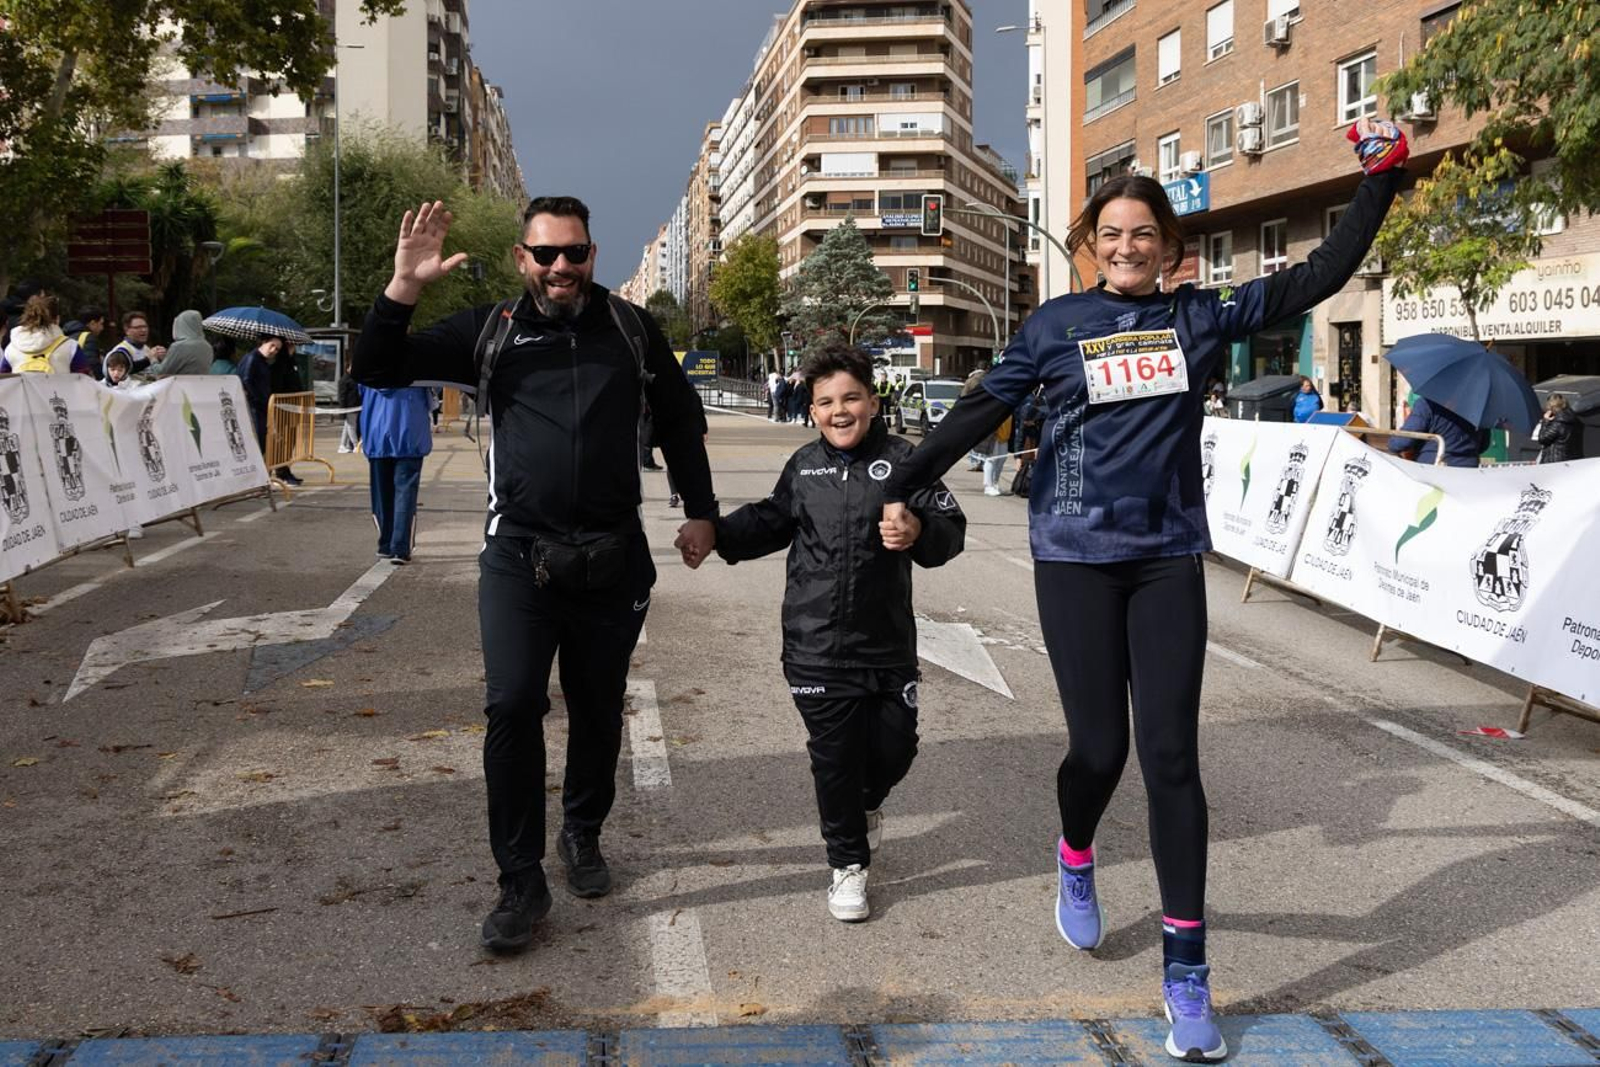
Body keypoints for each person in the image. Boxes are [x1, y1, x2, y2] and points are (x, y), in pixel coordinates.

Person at [880, 119, 1408, 1064]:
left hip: (1166, 555)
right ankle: (1075, 855)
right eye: (1112, 235)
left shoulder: (1197, 321)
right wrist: (897, 480)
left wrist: (1379, 181)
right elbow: (978, 412)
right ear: (1092, 245)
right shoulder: (1051, 328)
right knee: (1098, 748)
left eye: (1144, 235)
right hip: (1075, 558)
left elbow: (1317, 278)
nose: (1128, 248)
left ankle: (1187, 972)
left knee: (1170, 757)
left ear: (1170, 248)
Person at [352, 196, 716, 955]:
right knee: (513, 704)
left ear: (591, 255)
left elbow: (680, 418)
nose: (560, 267)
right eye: (545, 254)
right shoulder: (491, 331)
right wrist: (404, 287)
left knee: (595, 706)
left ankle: (581, 832)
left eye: (574, 253)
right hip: (519, 555)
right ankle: (519, 879)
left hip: (613, 558)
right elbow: (377, 366)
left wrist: (702, 511)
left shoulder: (629, 327)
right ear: (523, 258)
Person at [674, 341, 964, 922]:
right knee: (834, 758)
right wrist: (715, 533)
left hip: (886, 646)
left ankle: (865, 805)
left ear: (872, 403)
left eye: (850, 398)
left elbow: (949, 528)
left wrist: (919, 530)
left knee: (893, 752)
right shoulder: (804, 467)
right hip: (814, 647)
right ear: (811, 410)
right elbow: (771, 519)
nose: (839, 411)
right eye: (825, 401)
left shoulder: (908, 463)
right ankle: (847, 864)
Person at [360, 383, 431, 563]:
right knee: (405, 493)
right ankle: (400, 547)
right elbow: (433, 390)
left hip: (377, 432)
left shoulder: (369, 361)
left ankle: (385, 543)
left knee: (381, 493)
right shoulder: (417, 360)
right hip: (410, 431)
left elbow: (359, 386)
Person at [1387, 393, 1489, 468]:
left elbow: (1401, 443)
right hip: (1470, 470)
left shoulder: (1428, 404)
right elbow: (1484, 445)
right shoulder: (1479, 408)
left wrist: (1390, 443)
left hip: (1434, 471)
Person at [1, 294, 81, 374]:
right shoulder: (71, 347)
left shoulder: (12, 347)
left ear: (28, 318)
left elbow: (3, 381)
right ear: (57, 319)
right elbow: (85, 380)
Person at [236, 336, 283, 456]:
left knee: (262, 439)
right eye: (272, 346)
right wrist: (257, 398)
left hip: (260, 406)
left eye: (277, 349)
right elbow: (246, 380)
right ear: (263, 342)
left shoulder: (260, 360)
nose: (273, 350)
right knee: (258, 439)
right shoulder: (253, 358)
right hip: (254, 407)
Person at [152, 310, 214, 377]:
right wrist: (167, 359)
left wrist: (153, 359)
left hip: (180, 386)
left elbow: (161, 372)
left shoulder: (179, 346)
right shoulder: (208, 347)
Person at [103, 311, 165, 377]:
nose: (143, 330)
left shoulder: (146, 348)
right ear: (127, 330)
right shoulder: (121, 350)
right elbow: (126, 370)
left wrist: (163, 359)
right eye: (138, 327)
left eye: (145, 326)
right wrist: (148, 359)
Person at [1532, 394, 1583, 463]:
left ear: (1552, 407)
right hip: (1571, 461)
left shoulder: (1558, 422)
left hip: (1554, 462)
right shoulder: (1575, 421)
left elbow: (1542, 439)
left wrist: (1545, 421)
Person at [64, 307, 107, 378]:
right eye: (101, 323)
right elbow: (92, 365)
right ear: (92, 323)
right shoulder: (88, 337)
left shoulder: (66, 334)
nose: (102, 328)